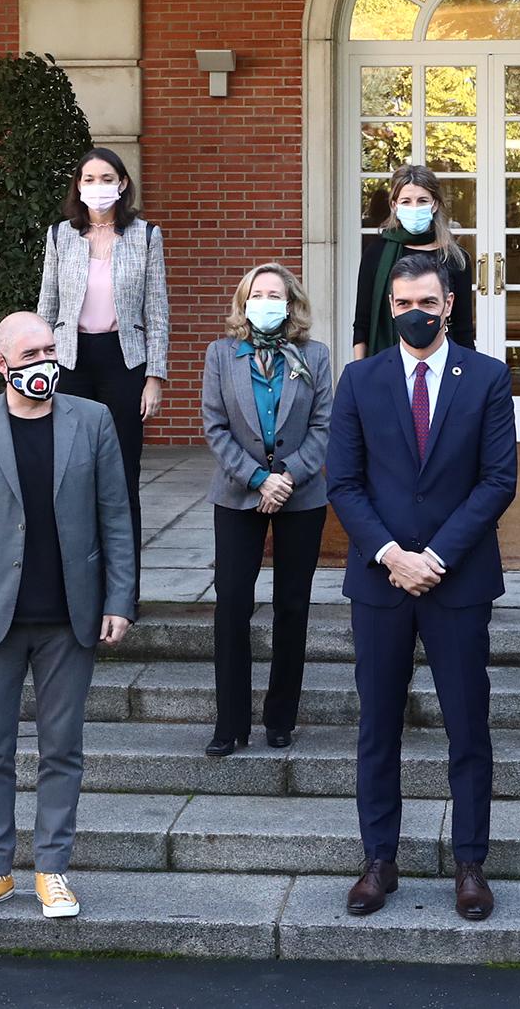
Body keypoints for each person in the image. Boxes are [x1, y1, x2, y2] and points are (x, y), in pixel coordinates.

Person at [327, 253, 517, 923]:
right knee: (378, 727)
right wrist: (390, 554)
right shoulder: (358, 380)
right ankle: (379, 860)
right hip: (380, 583)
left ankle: (471, 863)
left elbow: (498, 480)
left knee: (468, 727)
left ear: (450, 303)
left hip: (456, 580)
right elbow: (343, 482)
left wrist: (433, 555)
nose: (416, 312)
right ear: (390, 308)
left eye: (427, 301)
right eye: (404, 301)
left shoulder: (487, 377)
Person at [0, 312, 138, 922]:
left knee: (62, 748)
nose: (42, 361)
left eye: (51, 349)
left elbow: (116, 517)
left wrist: (119, 599)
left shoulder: (93, 421)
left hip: (70, 617)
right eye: (29, 352)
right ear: (2, 365)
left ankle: (52, 870)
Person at [200, 262, 335, 757]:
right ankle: (229, 723)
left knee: (292, 607)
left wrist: (287, 478)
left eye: (275, 294)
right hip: (238, 494)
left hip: (300, 496)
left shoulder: (314, 355)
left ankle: (281, 718)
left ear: (291, 303)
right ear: (244, 301)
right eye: (258, 293)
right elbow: (215, 427)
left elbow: (323, 427)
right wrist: (259, 479)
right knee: (232, 605)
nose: (266, 301)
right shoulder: (220, 354)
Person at [38, 146, 169, 562]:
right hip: (70, 360)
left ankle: (123, 582)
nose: (97, 187)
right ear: (78, 186)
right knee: (69, 469)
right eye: (89, 179)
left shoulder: (146, 235)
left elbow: (157, 310)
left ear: (122, 184)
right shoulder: (60, 235)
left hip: (124, 361)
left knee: (121, 473)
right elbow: (48, 305)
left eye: (106, 179)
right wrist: (37, 364)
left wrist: (154, 377)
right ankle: (73, 572)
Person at [352, 163, 475, 358]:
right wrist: (359, 371)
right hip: (387, 359)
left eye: (422, 200)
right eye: (406, 201)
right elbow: (362, 322)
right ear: (394, 205)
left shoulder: (455, 257)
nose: (414, 207)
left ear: (434, 204)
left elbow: (463, 327)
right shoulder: (377, 252)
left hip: (443, 361)